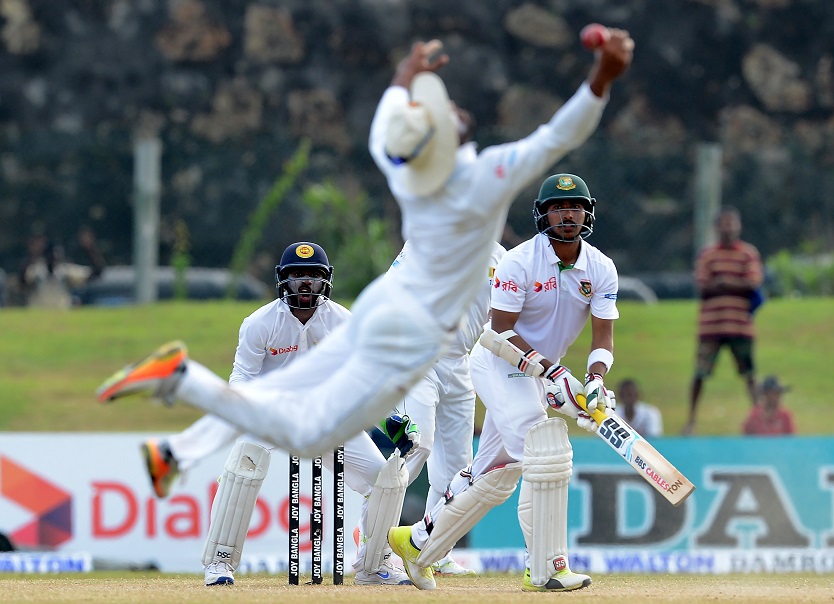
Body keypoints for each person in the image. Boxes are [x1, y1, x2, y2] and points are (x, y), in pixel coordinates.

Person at [95, 26, 634, 573]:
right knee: (308, 432)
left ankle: (175, 441)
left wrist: (405, 75)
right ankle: (183, 381)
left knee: (282, 391)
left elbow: (388, 119)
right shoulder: (487, 177)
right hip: (414, 336)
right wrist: (603, 75)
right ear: (456, 140)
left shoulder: (406, 169)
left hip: (382, 308)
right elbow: (557, 134)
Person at [388, 172, 620, 592]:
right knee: (544, 444)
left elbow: (602, 339)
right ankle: (546, 567)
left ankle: (417, 542)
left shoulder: (601, 268)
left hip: (537, 371)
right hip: (497, 362)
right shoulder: (518, 261)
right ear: (543, 215)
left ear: (588, 213)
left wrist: (595, 382)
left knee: (497, 472)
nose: (567, 215)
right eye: (557, 208)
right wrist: (553, 374)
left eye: (575, 208)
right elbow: (498, 332)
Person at [140, 242, 416, 587]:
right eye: (297, 275)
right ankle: (219, 563)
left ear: (326, 281)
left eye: (313, 276)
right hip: (270, 414)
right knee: (244, 464)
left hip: (326, 416)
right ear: (282, 281)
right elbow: (241, 378)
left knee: (385, 479)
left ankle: (373, 566)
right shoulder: (260, 323)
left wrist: (391, 419)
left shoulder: (344, 322)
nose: (305, 283)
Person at [389, 240, 506, 577]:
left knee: (457, 468)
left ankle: (434, 551)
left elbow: (503, 319)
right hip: (420, 357)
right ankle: (373, 540)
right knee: (417, 445)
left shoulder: (502, 258)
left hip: (461, 363)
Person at [682, 206, 763, 435]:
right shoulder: (708, 254)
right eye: (724, 223)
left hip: (740, 326)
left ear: (739, 226)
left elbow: (754, 283)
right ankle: (691, 421)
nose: (728, 228)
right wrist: (736, 284)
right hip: (712, 327)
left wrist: (723, 282)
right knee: (700, 374)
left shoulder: (748, 253)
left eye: (732, 223)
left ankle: (759, 420)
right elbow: (703, 285)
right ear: (717, 227)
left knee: (749, 374)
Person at [18, 228, 105, 308]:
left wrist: (91, 249)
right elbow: (22, 282)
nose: (52, 257)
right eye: (50, 254)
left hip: (62, 316)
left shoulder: (66, 271)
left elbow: (96, 273)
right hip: (39, 316)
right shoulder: (35, 271)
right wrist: (33, 254)